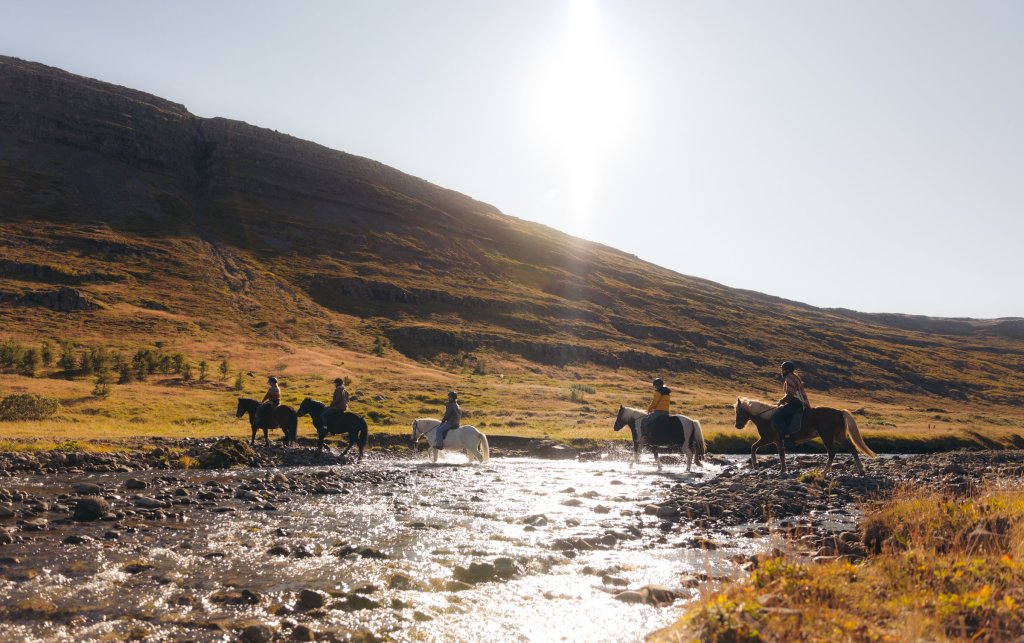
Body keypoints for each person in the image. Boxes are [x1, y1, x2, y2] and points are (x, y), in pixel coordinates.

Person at [773, 361, 809, 437]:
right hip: (799, 402)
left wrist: (781, 401)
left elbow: (790, 394)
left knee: (777, 415)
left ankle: (786, 434)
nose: (781, 371)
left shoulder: (789, 378)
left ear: (787, 370)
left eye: (782, 369)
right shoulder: (795, 377)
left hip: (795, 403)